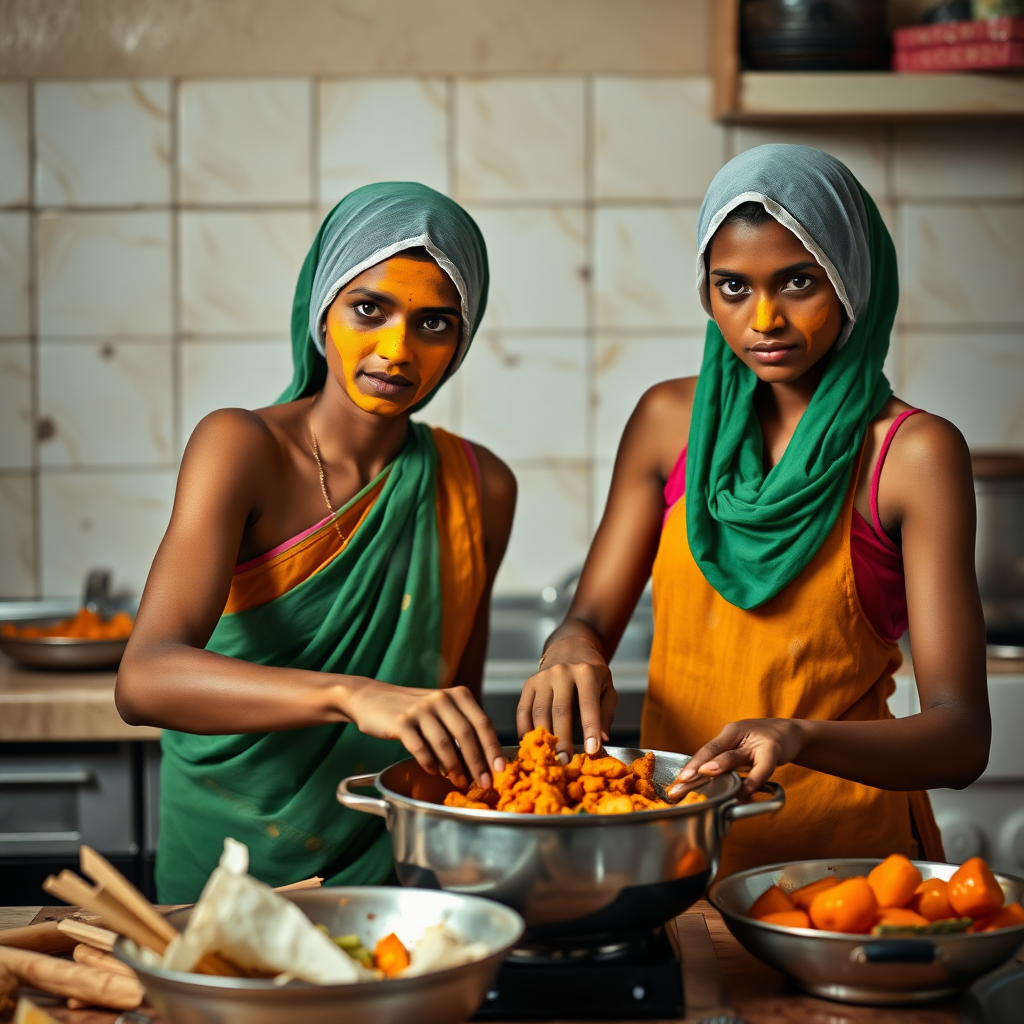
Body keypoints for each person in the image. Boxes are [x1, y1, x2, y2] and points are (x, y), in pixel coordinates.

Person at [517, 145, 989, 873]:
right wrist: (569, 648)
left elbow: (960, 740)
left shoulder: (913, 455)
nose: (763, 318)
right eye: (732, 287)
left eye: (798, 282)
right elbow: (587, 623)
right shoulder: (667, 421)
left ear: (851, 280)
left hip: (845, 876)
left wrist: (800, 737)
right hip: (677, 853)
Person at [117, 183, 515, 901]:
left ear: (461, 340)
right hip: (225, 864)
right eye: (370, 309)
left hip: (394, 869)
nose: (396, 350)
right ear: (321, 310)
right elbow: (144, 679)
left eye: (434, 323)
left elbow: (457, 714)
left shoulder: (481, 484)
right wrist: (353, 694)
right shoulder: (240, 446)